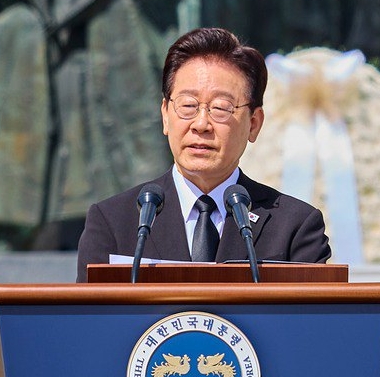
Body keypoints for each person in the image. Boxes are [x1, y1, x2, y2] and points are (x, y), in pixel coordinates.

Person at [76, 27, 331, 280]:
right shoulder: (113, 222)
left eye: (221, 108)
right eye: (188, 106)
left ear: (254, 124)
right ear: (165, 115)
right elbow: (89, 320)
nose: (201, 124)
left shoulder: (295, 227)